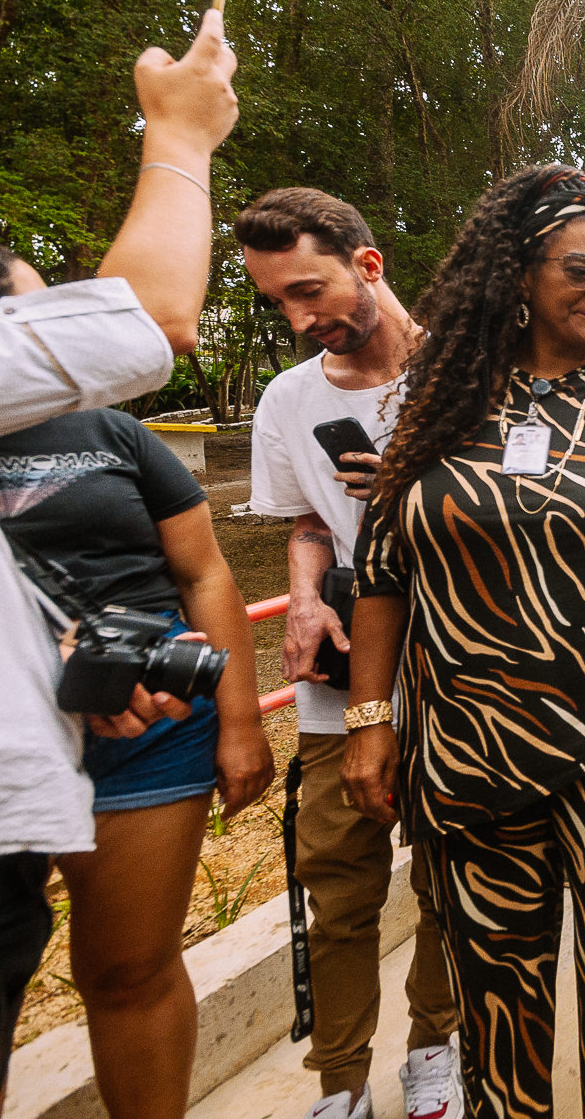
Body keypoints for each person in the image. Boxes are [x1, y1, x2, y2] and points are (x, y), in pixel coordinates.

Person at [340, 165, 585, 1119]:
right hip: (471, 744)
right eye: (579, 268)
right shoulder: (440, 399)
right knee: (495, 977)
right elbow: (383, 570)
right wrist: (369, 718)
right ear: (518, 274)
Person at [0, 10, 235, 1119]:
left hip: (111, 746)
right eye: (33, 318)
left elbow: (200, 565)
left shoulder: (113, 441)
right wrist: (179, 136)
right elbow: (151, 316)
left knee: (122, 968)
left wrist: (59, 654)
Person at [236, 189, 461, 1119]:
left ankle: (436, 1046)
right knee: (338, 888)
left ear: (368, 265)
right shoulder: (288, 400)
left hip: (458, 667)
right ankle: (339, 1082)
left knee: (451, 876)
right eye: (278, 303)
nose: (299, 319)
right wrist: (298, 599)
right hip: (341, 682)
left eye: (309, 290)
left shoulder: (465, 371)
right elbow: (306, 522)